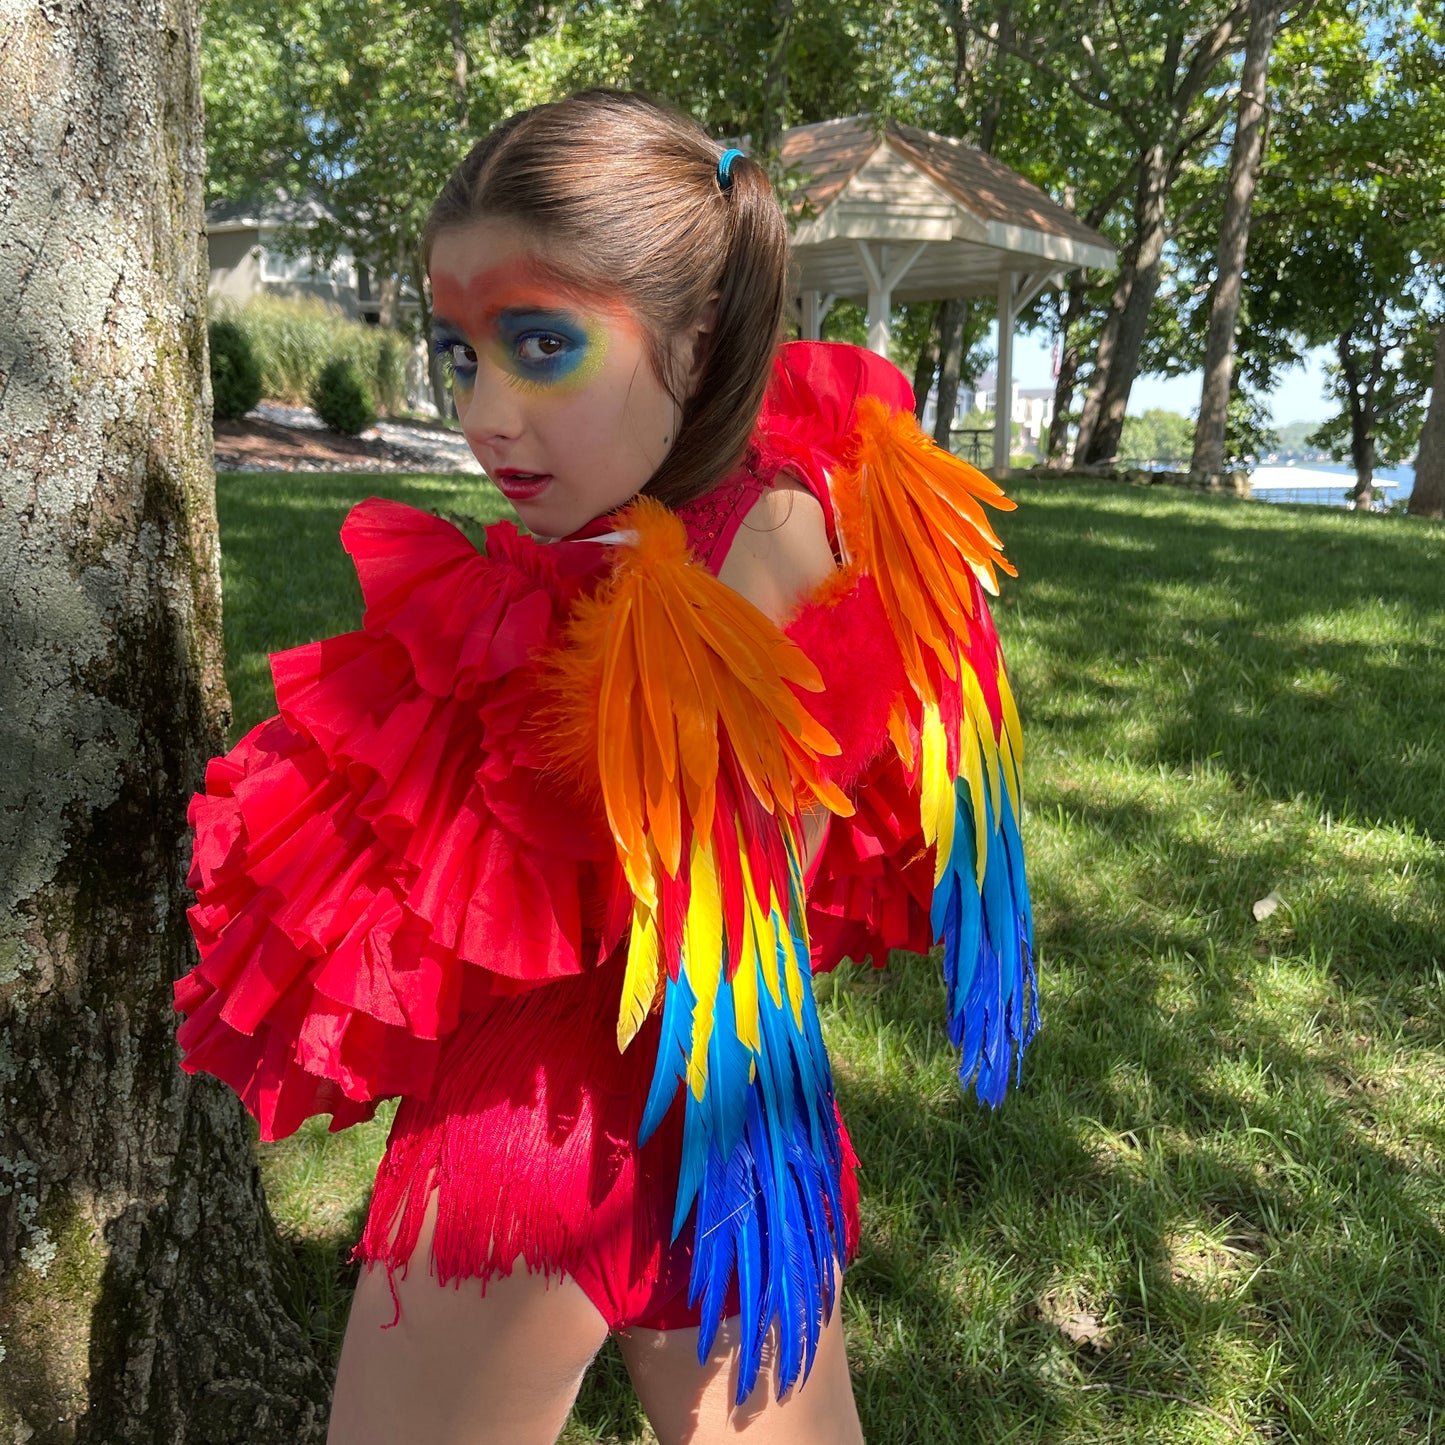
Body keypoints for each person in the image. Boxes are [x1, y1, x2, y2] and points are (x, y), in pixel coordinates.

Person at [175, 89, 1036, 1445]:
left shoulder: (610, 598)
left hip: (537, 1141)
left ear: (698, 344)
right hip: (753, 1130)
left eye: (542, 346)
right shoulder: (815, 507)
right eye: (462, 355)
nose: (487, 416)